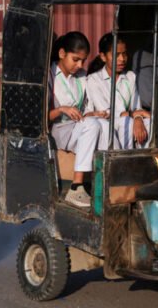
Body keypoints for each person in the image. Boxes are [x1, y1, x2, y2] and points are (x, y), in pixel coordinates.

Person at [49, 32, 107, 208]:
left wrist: (92, 113)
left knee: (104, 125)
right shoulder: (50, 75)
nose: (80, 65)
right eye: (75, 59)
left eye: (83, 60)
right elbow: (42, 117)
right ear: (61, 54)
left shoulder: (82, 76)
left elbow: (86, 108)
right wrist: (60, 110)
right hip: (59, 130)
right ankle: (76, 186)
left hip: (79, 128)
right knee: (91, 125)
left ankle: (104, 181)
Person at [86, 33, 151, 149]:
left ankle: (144, 160)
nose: (122, 59)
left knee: (149, 123)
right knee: (126, 122)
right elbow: (106, 113)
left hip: (127, 120)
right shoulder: (93, 80)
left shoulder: (130, 76)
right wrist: (133, 115)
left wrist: (138, 118)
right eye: (116, 54)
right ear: (103, 56)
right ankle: (125, 160)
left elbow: (136, 107)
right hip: (106, 124)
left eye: (124, 54)